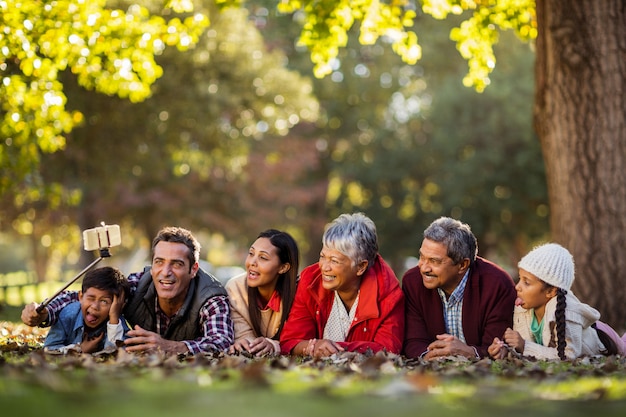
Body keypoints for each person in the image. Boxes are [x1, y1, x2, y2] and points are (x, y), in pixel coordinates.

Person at [22, 226, 234, 355]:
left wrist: (172, 346)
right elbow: (84, 296)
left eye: (177, 264)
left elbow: (222, 341)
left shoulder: (211, 297)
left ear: (193, 269)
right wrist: (43, 313)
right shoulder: (140, 284)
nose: (165, 272)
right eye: (159, 262)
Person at [280, 213, 404, 357]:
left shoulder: (389, 293)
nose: (324, 267)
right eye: (322, 256)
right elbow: (290, 341)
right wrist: (312, 347)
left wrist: (334, 348)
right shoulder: (310, 280)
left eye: (334, 260)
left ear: (361, 267)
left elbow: (388, 349)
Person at [402, 217, 516, 360]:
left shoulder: (497, 284)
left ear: (462, 265)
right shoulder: (412, 282)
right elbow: (413, 341)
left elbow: (496, 346)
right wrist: (432, 356)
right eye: (422, 257)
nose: (424, 268)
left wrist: (470, 353)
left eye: (434, 261)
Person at [488, 243, 626, 360]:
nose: (517, 287)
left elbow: (567, 356)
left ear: (551, 291)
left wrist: (524, 345)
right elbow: (530, 353)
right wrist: (506, 350)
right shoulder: (523, 308)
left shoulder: (566, 312)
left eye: (527, 282)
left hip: (606, 340)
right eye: (519, 279)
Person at [226, 229, 299, 357]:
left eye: (263, 258)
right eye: (251, 253)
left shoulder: (298, 293)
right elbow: (245, 337)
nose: (252, 263)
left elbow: (298, 338)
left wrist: (274, 345)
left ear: (283, 267)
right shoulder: (235, 289)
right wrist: (244, 344)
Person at [44, 266, 130, 354]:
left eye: (104, 301)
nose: (95, 306)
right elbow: (49, 348)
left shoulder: (116, 322)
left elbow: (117, 353)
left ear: (116, 306)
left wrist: (113, 321)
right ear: (81, 297)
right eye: (91, 298)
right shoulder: (67, 315)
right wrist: (79, 350)